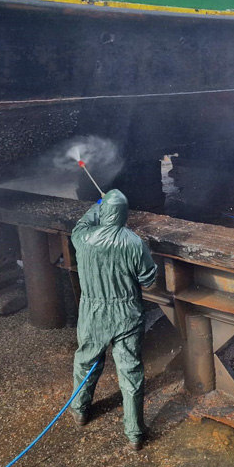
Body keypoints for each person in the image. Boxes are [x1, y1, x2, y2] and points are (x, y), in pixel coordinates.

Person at [69, 189, 158, 451]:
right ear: (124, 214)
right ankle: (134, 434)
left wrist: (97, 204)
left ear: (104, 212)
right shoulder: (133, 242)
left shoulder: (82, 238)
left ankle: (81, 411)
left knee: (86, 362)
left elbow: (82, 223)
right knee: (130, 372)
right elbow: (148, 280)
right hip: (126, 314)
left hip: (92, 313)